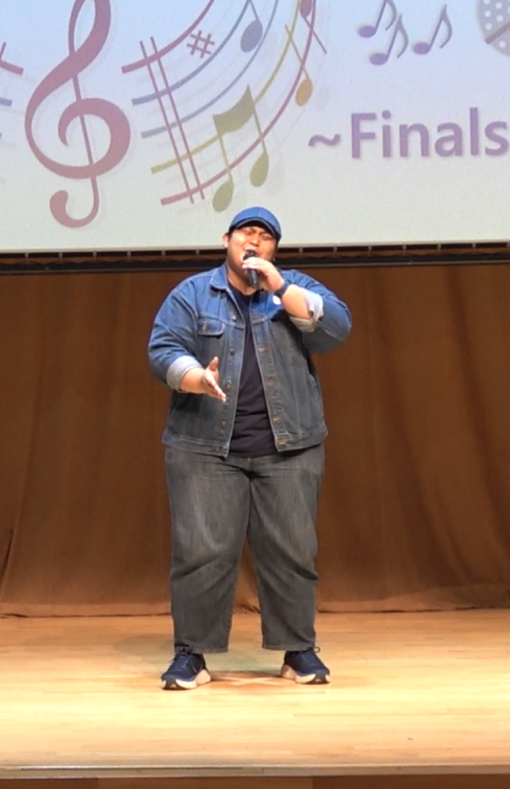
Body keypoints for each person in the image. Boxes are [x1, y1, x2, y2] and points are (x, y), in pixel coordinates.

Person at [147, 206, 352, 690]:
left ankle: (298, 649)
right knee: (202, 552)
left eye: (265, 235)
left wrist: (281, 288)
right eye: (246, 232)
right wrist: (195, 378)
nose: (254, 240)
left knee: (292, 551)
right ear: (227, 240)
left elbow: (336, 329)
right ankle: (191, 654)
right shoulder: (193, 293)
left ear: (274, 249)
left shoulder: (293, 287)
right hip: (205, 447)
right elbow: (163, 349)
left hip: (289, 446)